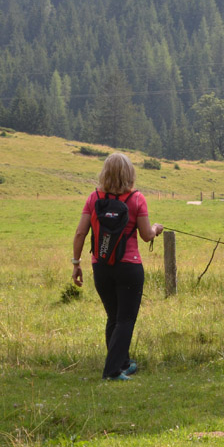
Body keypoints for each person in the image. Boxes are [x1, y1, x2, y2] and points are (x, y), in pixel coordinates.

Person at [72, 153, 163, 380]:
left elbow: (81, 232)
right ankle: (112, 371)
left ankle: (122, 364)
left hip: (100, 266)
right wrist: (157, 229)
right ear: (130, 174)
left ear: (105, 172)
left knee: (113, 317)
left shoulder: (94, 199)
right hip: (129, 266)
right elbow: (145, 235)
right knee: (125, 319)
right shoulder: (136, 199)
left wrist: (76, 264)